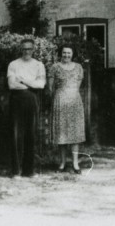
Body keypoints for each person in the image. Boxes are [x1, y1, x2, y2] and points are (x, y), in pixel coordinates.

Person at [7, 38, 46, 177]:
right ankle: (16, 171)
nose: (27, 51)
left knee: (31, 134)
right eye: (24, 48)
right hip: (17, 100)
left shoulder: (39, 65)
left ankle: (29, 171)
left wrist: (23, 80)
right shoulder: (13, 64)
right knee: (16, 134)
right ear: (21, 49)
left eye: (29, 49)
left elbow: (41, 85)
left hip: (32, 100)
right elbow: (12, 85)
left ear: (33, 50)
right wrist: (31, 83)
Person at [50, 45, 86, 173]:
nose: (66, 55)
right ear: (61, 54)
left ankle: (75, 164)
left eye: (69, 53)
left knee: (75, 133)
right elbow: (51, 87)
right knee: (62, 133)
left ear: (72, 54)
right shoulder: (54, 67)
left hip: (75, 102)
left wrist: (71, 93)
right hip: (60, 101)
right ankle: (62, 163)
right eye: (64, 53)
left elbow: (78, 84)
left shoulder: (79, 67)